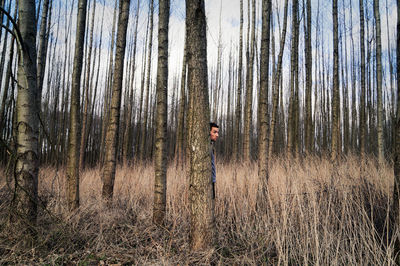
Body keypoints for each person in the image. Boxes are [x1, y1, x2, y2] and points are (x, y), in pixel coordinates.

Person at [210, 122, 219, 199]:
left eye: (217, 132)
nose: (217, 135)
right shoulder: (205, 148)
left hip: (212, 182)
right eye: (214, 132)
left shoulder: (210, 146)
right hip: (208, 183)